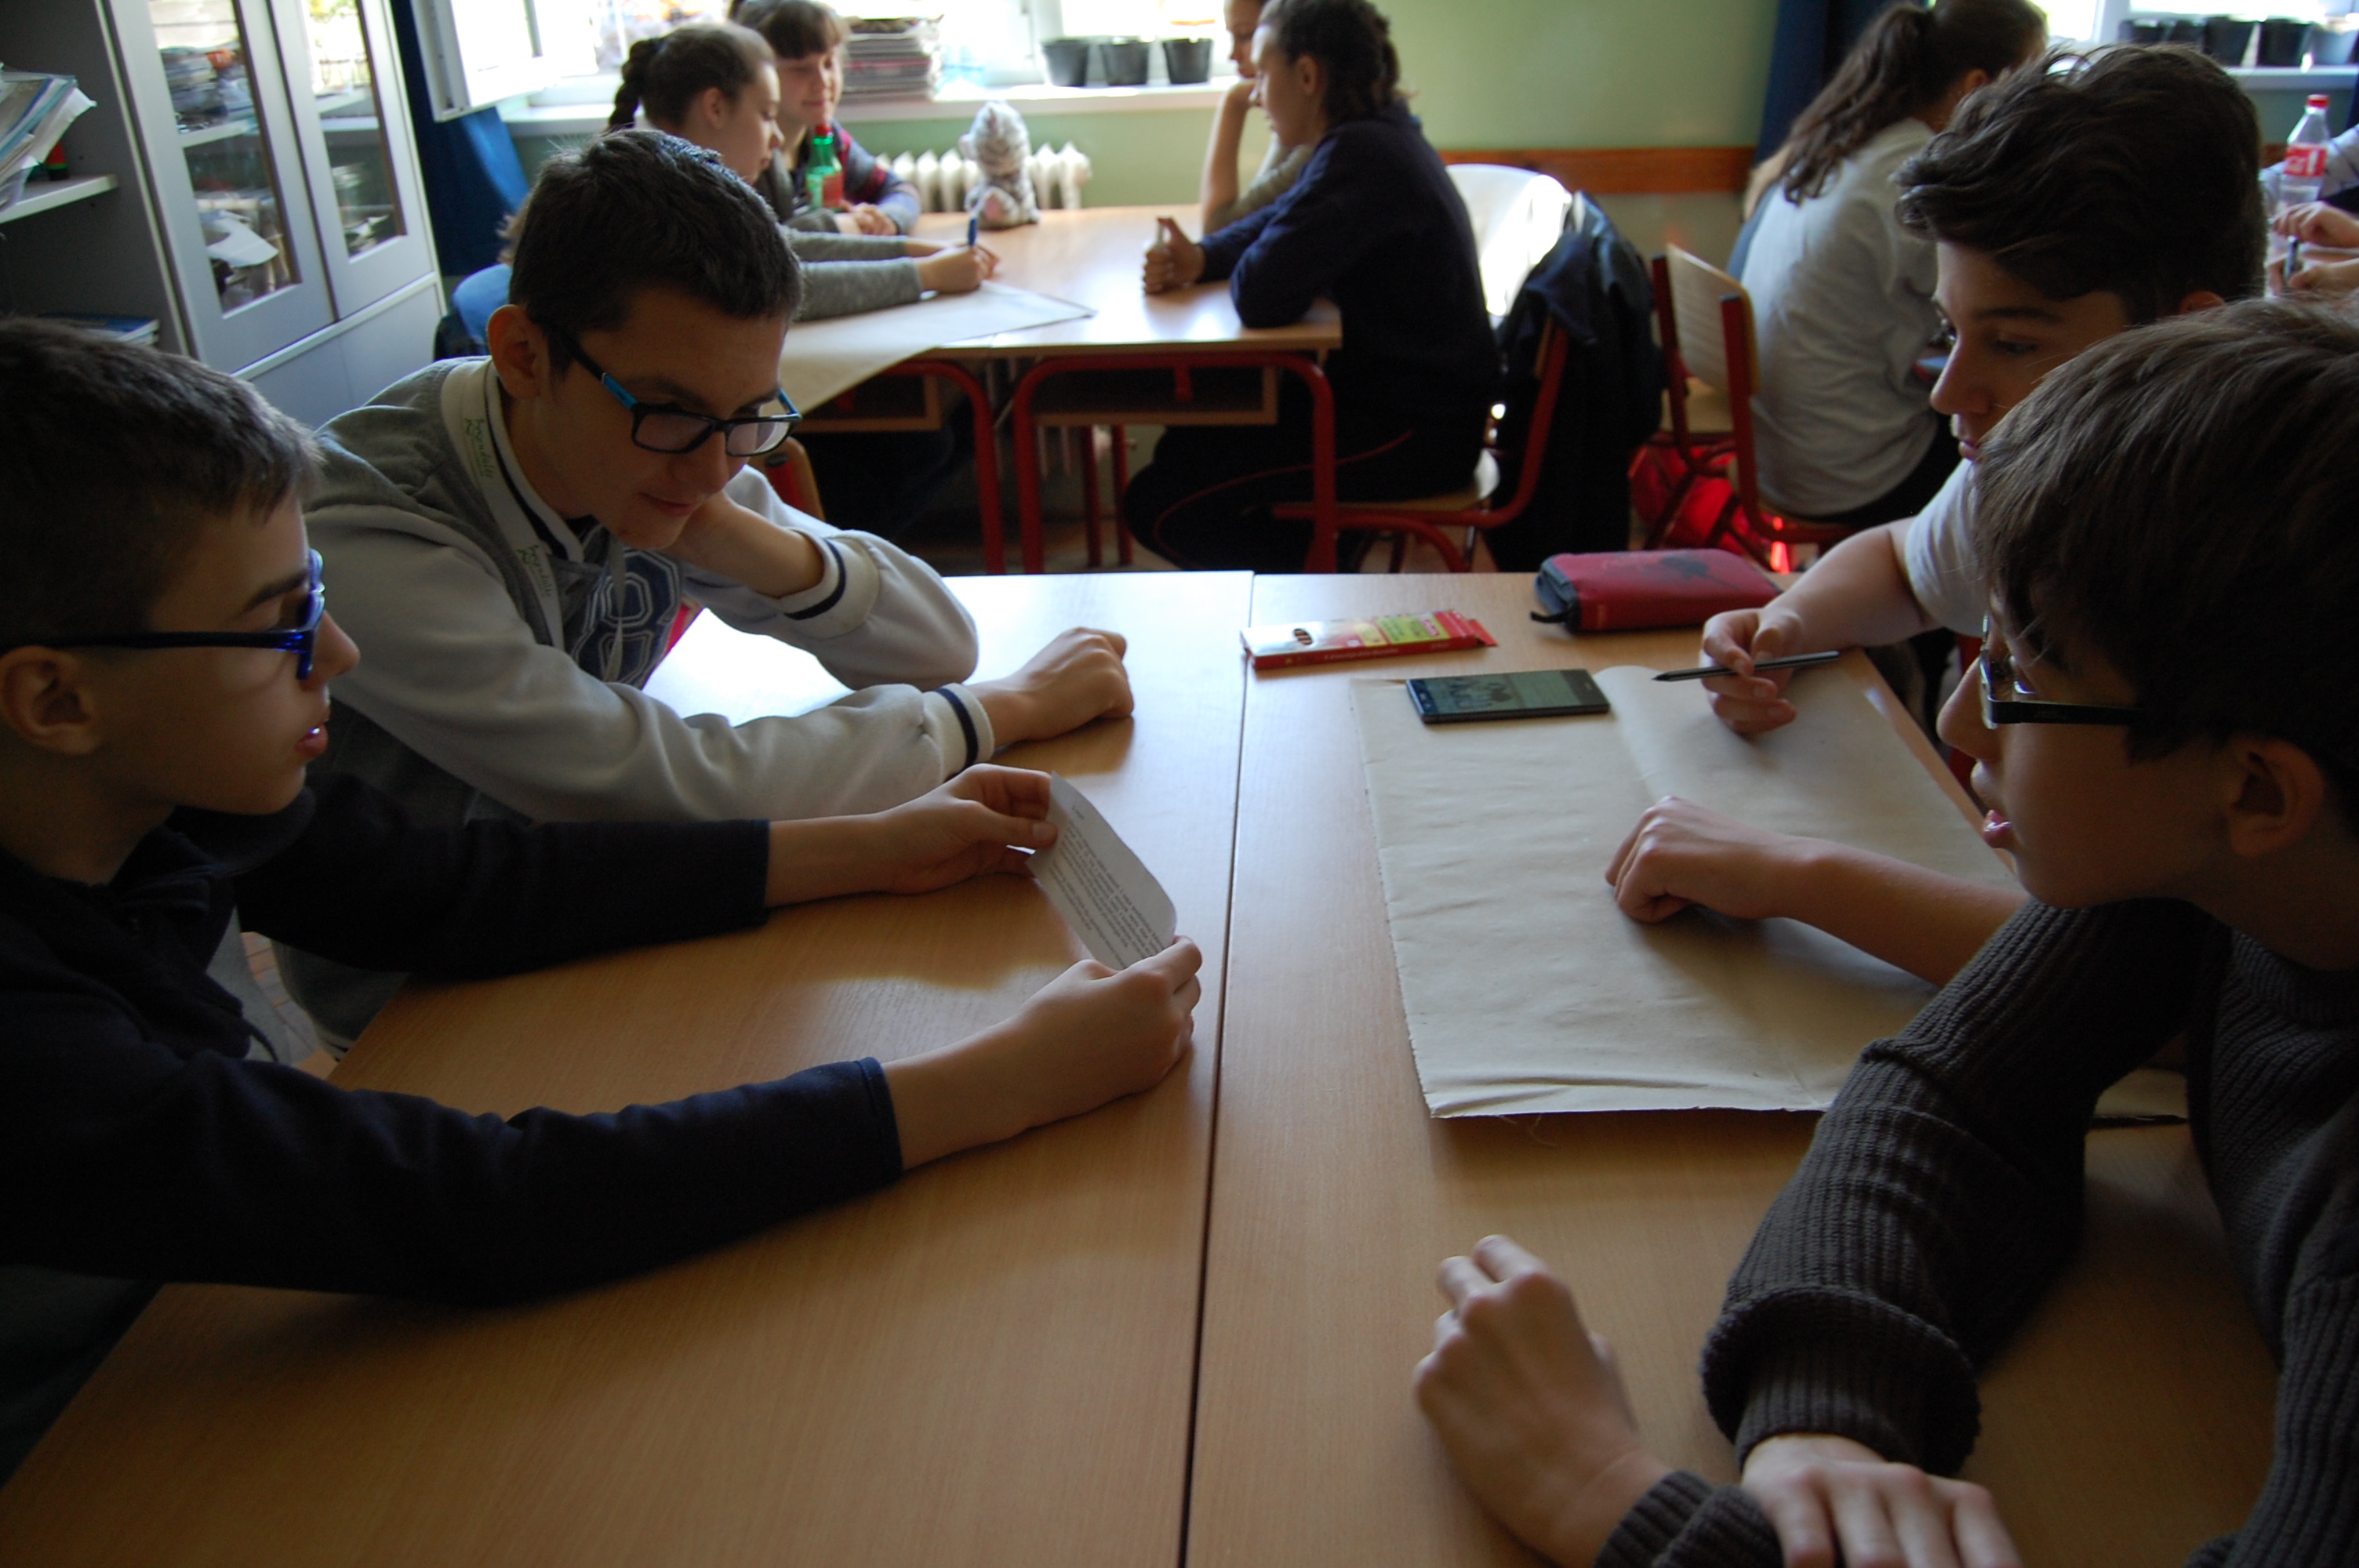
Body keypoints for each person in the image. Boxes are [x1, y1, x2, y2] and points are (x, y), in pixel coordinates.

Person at [0, 318, 1204, 1483]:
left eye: (312, 595)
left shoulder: (163, 797)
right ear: (56, 702)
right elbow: (478, 1203)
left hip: (181, 1327)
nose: (338, 656)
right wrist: (1000, 1081)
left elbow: (453, 887)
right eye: (280, 627)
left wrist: (863, 849)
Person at [1416, 296, 2359, 1568]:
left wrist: (1608, 1499)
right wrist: (1826, 1419)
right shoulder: (2207, 872)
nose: (1960, 723)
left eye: (2017, 678)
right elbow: (1951, 1100)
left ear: (2254, 790)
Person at [291, 130, 1131, 1040]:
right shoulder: (362, 522)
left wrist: (723, 527)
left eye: (748, 415)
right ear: (525, 355)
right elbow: (658, 789)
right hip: (423, 1004)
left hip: (617, 914)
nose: (713, 465)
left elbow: (937, 643)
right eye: (674, 413)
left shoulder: (654, 452)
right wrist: (999, 710)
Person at [1608, 44, 2264, 988]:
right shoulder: (2041, 457)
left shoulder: (2246, 550)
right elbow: (1904, 564)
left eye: (2012, 343)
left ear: (2184, 335)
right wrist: (1790, 622)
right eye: (1950, 331)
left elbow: (2154, 983)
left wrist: (1795, 874)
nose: (1949, 391)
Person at [1123, 0, 1496, 572]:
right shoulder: (1371, 136)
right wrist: (1201, 258)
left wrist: (1242, 259)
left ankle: (1312, 583)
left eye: (1263, 74)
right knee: (1183, 446)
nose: (1255, 95)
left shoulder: (1360, 156)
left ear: (1306, 76)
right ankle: (1320, 562)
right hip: (1412, 410)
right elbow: (1275, 223)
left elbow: (1260, 294)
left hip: (1414, 434)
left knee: (1159, 505)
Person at [1739, 0, 2043, 529]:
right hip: (1849, 472)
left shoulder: (1847, 145)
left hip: (1776, 452)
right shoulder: (1915, 175)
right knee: (2030, 452)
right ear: (1977, 87)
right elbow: (2005, 306)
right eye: (2032, 82)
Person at [608, 21, 992, 320]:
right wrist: (928, 275)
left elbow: (785, 245)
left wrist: (919, 251)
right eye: (766, 115)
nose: (777, 138)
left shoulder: (697, 192)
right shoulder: (665, 212)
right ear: (716, 108)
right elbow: (781, 286)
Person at [732, 0, 919, 236]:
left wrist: (886, 220)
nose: (823, 82)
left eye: (829, 63)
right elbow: (767, 244)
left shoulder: (825, 136)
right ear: (762, 74)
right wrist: (839, 226)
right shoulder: (745, 157)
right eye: (801, 69)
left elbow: (899, 190)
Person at [1198, 0, 1313, 234]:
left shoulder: (1320, 142)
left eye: (1246, 35)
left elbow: (1220, 230)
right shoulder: (1302, 121)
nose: (1233, 55)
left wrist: (1233, 104)